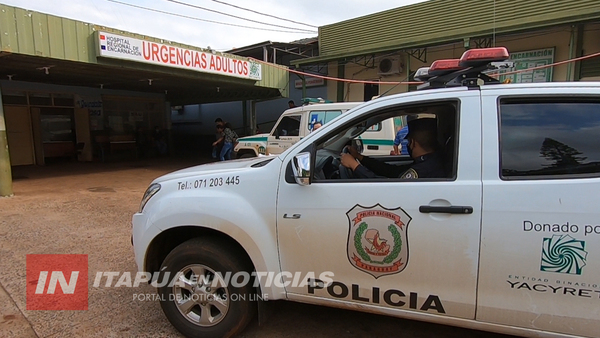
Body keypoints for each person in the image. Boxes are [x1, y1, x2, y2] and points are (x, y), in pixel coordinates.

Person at [340, 118, 446, 179]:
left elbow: (386, 188)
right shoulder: (431, 162)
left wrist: (354, 166)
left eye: (408, 141)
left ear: (413, 143)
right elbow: (392, 171)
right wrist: (360, 157)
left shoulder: (423, 170)